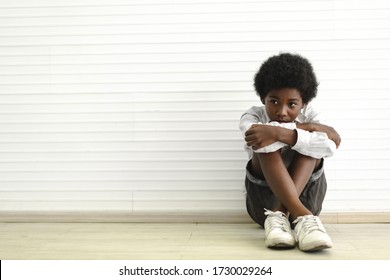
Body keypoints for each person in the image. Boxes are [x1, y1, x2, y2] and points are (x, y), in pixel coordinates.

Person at [239, 53, 341, 252]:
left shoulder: (312, 115)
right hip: (264, 208)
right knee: (263, 144)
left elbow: (328, 147)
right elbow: (255, 135)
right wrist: (310, 129)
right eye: (274, 102)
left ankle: (290, 214)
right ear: (263, 98)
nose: (282, 112)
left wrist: (278, 131)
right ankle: (296, 215)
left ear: (304, 103)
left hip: (308, 199)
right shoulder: (252, 115)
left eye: (292, 104)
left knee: (311, 149)